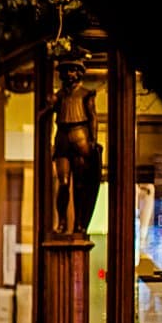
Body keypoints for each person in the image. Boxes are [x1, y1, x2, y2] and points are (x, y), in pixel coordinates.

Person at [43, 58, 102, 233]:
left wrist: (92, 140)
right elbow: (43, 115)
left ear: (79, 73)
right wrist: (49, 105)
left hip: (80, 137)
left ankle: (79, 223)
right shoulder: (59, 96)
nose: (69, 74)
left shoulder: (85, 94)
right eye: (66, 70)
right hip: (62, 138)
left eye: (73, 70)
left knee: (80, 184)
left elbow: (93, 118)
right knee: (63, 182)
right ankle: (61, 222)